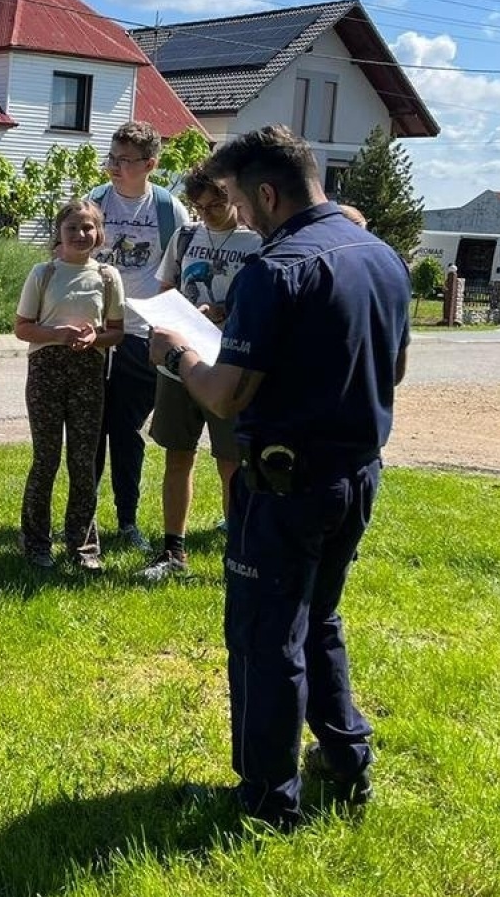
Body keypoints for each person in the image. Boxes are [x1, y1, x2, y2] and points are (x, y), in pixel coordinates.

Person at [148, 125, 410, 829]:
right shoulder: (381, 257)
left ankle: (268, 800)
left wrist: (175, 356)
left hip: (285, 486)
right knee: (318, 619)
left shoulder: (276, 267)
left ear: (268, 192)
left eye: (238, 198)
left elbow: (227, 393)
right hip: (355, 476)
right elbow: (395, 369)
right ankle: (347, 758)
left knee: (268, 640)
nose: (238, 213)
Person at [141, 170, 261, 582]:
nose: (207, 214)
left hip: (228, 366)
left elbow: (265, 304)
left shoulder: (258, 241)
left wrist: (224, 313)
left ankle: (238, 555)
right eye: (200, 207)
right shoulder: (187, 236)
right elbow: (166, 289)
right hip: (179, 366)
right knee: (178, 455)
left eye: (215, 205)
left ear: (231, 196)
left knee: (232, 463)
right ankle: (172, 552)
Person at [90, 122, 188, 552]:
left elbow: (183, 274)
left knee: (126, 430)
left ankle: (127, 520)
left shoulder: (170, 210)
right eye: (111, 157)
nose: (114, 167)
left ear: (150, 164)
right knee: (89, 428)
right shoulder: (93, 202)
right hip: (93, 335)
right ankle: (83, 518)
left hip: (141, 337)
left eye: (124, 161)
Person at [14, 199, 125, 571]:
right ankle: (35, 542)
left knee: (83, 463)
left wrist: (95, 338)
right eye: (72, 228)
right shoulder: (43, 273)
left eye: (87, 228)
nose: (80, 235)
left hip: (88, 374)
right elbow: (22, 327)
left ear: (99, 233)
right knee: (46, 460)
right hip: (46, 370)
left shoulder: (108, 277)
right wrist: (57, 334)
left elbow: (116, 333)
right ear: (58, 234)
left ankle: (82, 546)